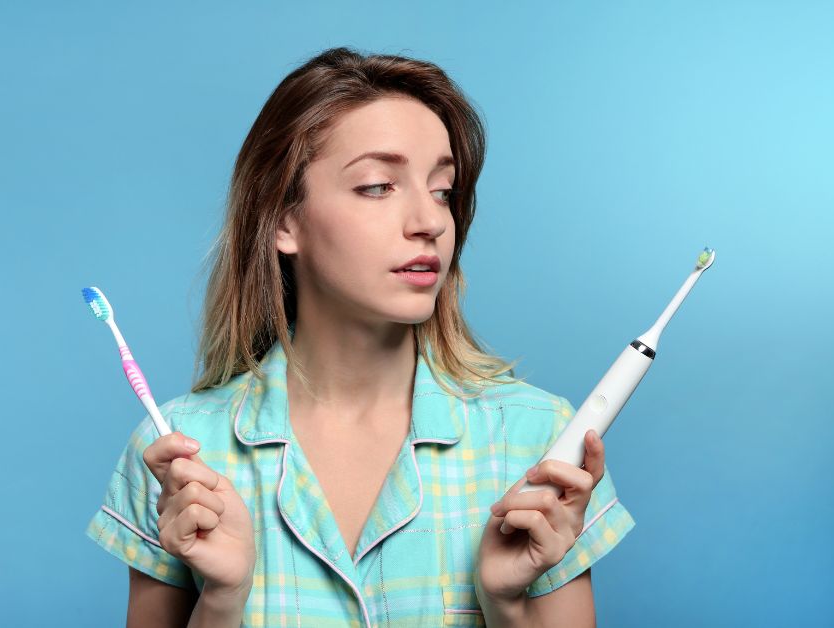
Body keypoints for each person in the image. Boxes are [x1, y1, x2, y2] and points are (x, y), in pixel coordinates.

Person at [86, 46, 635, 627]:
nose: (429, 221)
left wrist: (505, 606)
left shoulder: (542, 443)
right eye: (378, 186)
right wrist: (221, 601)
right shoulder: (179, 452)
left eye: (443, 190)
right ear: (282, 220)